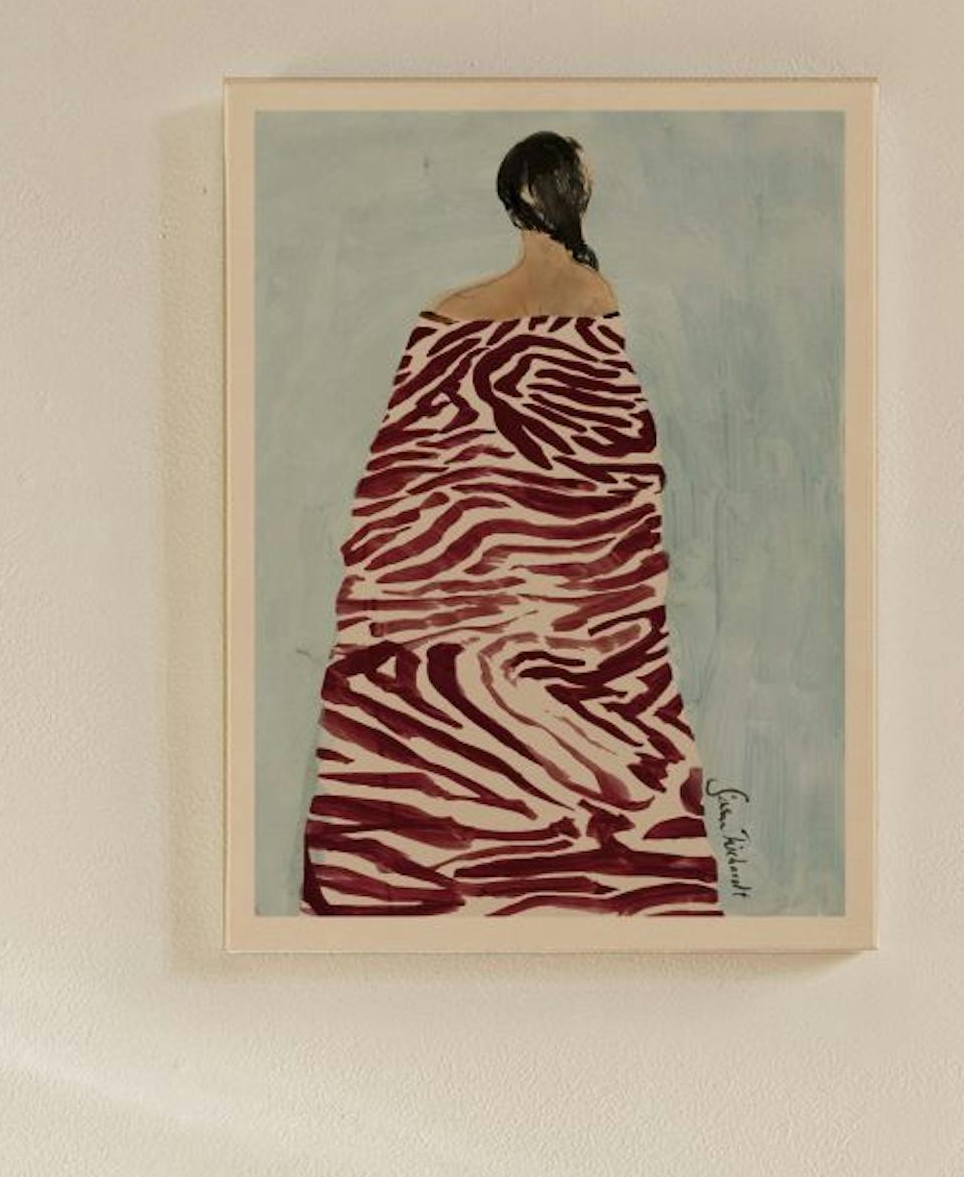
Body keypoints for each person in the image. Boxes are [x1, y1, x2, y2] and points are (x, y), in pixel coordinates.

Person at [299, 132, 724, 920]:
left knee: (432, 727)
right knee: (599, 741)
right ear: (574, 198)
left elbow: (401, 472)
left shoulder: (449, 311)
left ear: (511, 203)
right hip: (579, 601)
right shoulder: (599, 305)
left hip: (451, 605)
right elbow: (618, 472)